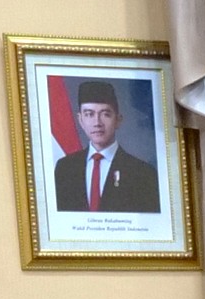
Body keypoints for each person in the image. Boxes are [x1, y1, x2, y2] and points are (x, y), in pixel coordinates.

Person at [53, 78, 160, 212]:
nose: (97, 123)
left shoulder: (143, 173)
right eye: (89, 114)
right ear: (80, 120)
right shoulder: (64, 168)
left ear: (118, 120)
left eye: (105, 114)